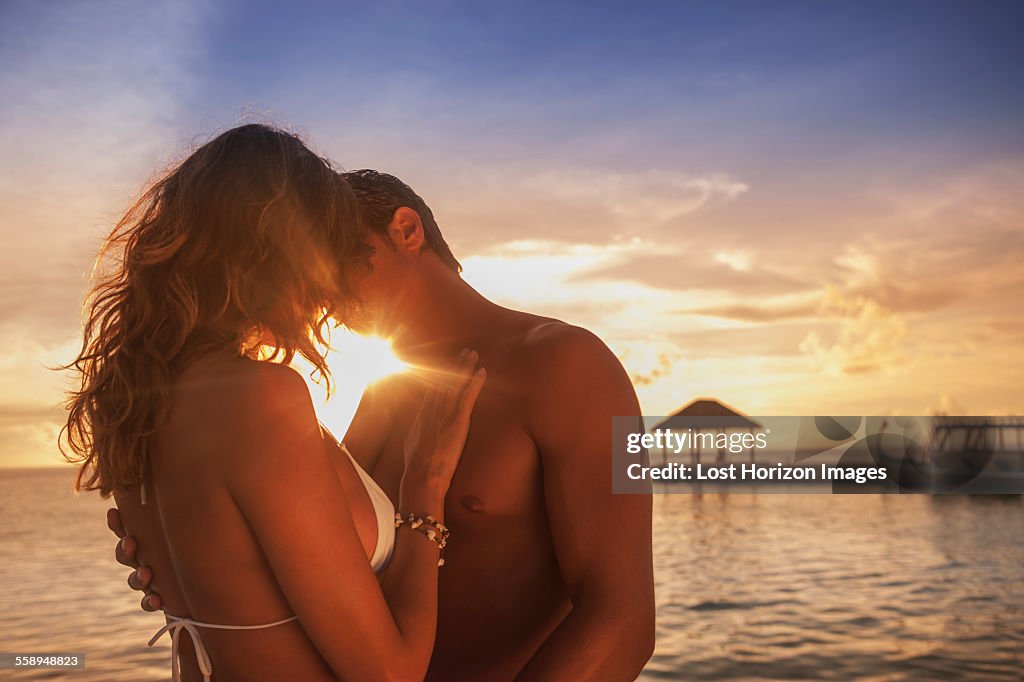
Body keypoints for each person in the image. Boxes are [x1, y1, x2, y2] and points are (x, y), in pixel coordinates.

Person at [114, 168, 657, 680]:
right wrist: (197, 564)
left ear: (406, 230)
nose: (322, 287)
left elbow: (624, 621)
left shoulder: (572, 364)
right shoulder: (381, 393)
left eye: (339, 255)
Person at [64, 124, 487, 681]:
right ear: (287, 252)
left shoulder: (130, 404)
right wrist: (424, 489)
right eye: (326, 251)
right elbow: (391, 675)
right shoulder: (262, 396)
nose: (332, 288)